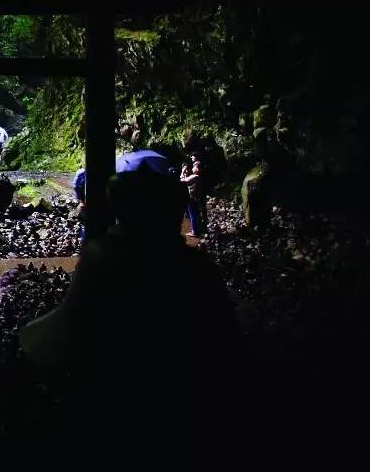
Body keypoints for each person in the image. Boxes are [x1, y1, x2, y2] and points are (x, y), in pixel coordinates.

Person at [19, 160, 243, 463]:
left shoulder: (101, 254)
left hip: (115, 392)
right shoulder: (195, 266)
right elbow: (229, 343)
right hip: (183, 399)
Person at [180, 151, 206, 237]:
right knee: (196, 213)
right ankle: (198, 228)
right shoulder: (196, 176)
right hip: (196, 196)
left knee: (192, 214)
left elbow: (183, 181)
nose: (193, 167)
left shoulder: (196, 176)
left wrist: (183, 172)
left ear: (198, 168)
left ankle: (195, 231)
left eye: (195, 166)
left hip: (193, 197)